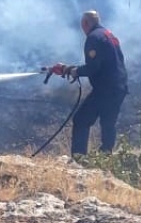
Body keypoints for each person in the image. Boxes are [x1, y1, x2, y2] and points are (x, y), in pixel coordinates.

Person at [47, 10, 129, 156]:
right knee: (108, 124)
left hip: (105, 90)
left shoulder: (93, 38)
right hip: (119, 87)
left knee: (81, 120)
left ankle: (79, 159)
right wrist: (70, 69)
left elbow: (93, 67)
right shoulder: (108, 34)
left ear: (85, 23)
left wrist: (74, 71)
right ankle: (106, 158)